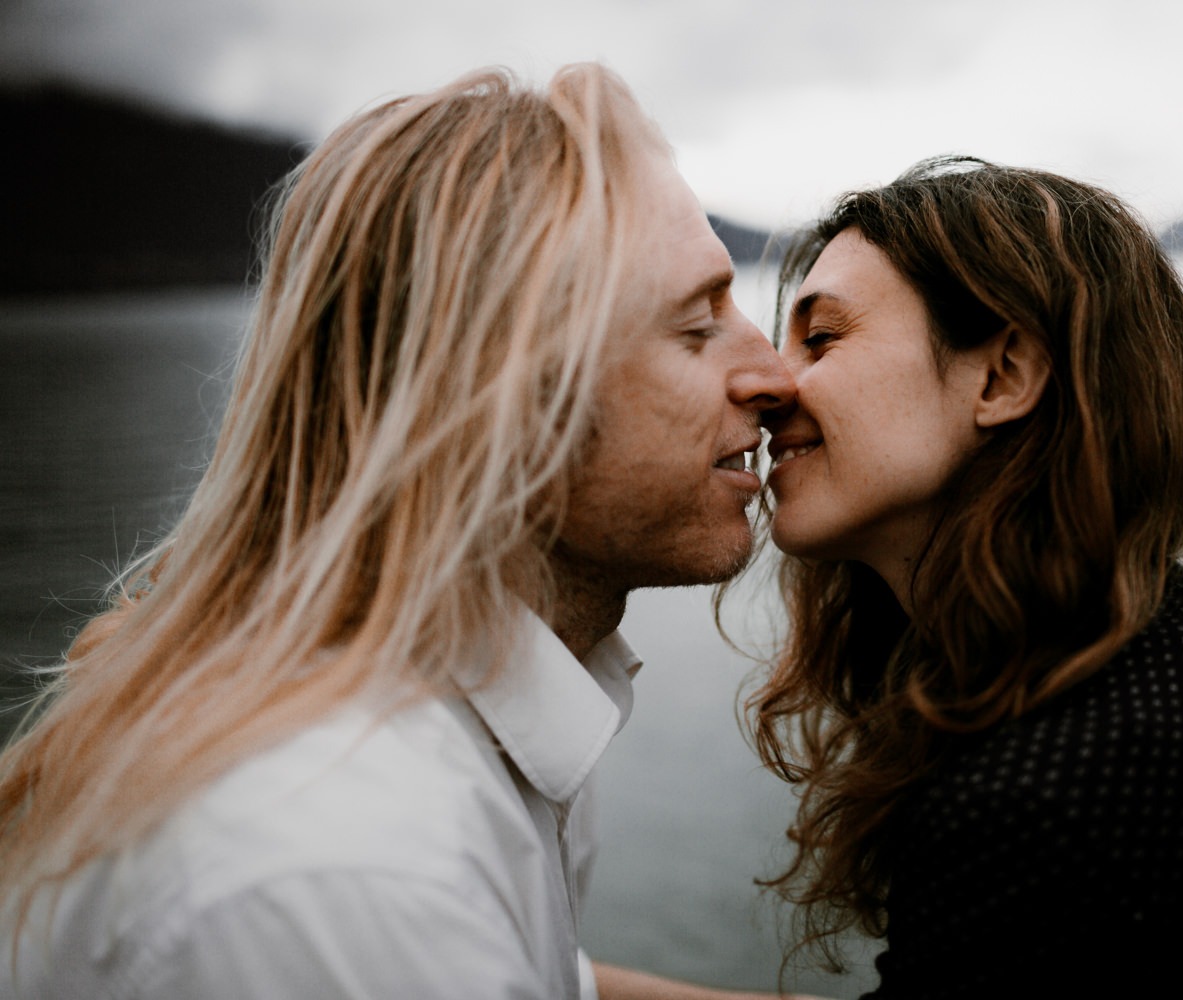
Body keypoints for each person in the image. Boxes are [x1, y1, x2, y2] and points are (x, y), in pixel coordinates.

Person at [0, 64, 806, 1000]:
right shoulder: (346, 865)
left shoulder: (470, 718)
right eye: (698, 325)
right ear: (501, 403)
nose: (775, 376)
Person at [750, 157, 1183, 998]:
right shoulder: (1134, 636)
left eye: (820, 338)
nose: (764, 385)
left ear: (1002, 376)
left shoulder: (1054, 789)